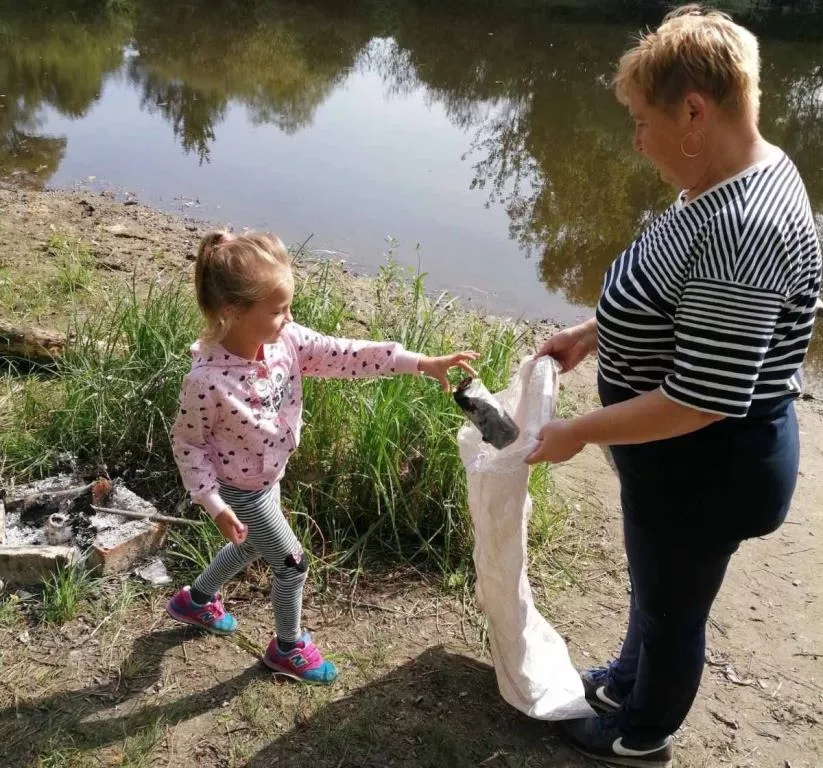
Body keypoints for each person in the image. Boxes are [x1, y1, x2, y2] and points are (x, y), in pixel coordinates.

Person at [526, 6, 821, 767]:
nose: (635, 140)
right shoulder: (726, 176)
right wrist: (593, 332)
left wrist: (577, 432)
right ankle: (627, 682)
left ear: (694, 111)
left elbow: (700, 399)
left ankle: (641, 733)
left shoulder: (745, 226)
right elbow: (677, 295)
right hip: (676, 462)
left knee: (672, 609)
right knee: (656, 588)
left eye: (640, 121)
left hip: (708, 468)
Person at [166, 229, 478, 684]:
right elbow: (188, 444)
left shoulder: (285, 342)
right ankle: (287, 647)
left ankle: (195, 601)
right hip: (238, 490)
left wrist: (420, 362)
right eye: (277, 310)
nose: (289, 318)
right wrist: (214, 504)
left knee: (251, 545)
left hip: (268, 478)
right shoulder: (208, 381)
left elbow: (345, 354)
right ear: (233, 311)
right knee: (291, 563)